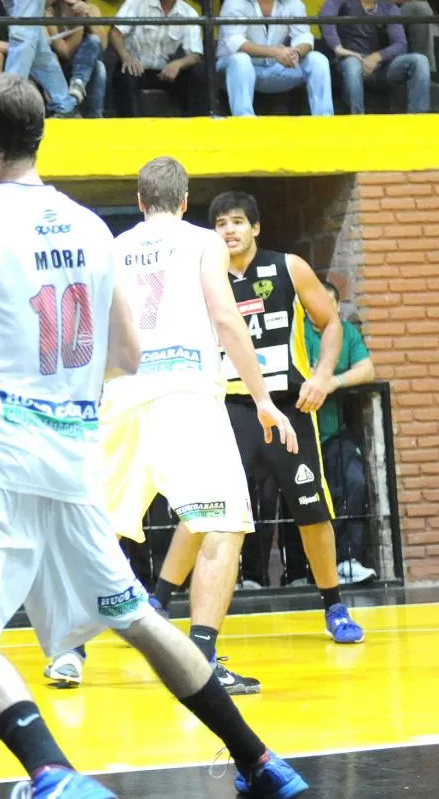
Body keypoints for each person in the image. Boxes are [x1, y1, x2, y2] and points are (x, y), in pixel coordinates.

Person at [0, 73, 307, 799]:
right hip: (70, 450)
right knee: (136, 612)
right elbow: (121, 353)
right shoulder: (94, 229)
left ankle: (52, 771)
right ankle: (262, 761)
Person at [47, 156, 299, 696]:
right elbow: (228, 319)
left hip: (121, 394)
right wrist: (262, 398)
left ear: (140, 202)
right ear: (185, 202)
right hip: (186, 395)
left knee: (101, 528)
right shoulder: (203, 242)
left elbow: (87, 334)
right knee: (224, 525)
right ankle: (200, 661)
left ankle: (68, 651)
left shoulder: (113, 248)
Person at [151, 190, 365, 644]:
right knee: (203, 507)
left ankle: (335, 607)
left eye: (236, 222)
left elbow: (332, 323)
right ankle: (160, 600)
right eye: (221, 224)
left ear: (255, 227)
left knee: (311, 511)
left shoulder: (288, 266)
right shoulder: (201, 273)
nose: (228, 230)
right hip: (226, 406)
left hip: (287, 406)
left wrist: (323, 377)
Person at [305, 281, 377, 584]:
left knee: (354, 483)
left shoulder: (347, 333)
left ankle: (349, 562)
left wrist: (332, 382)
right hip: (299, 434)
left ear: (336, 306)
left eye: (327, 302)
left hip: (335, 431)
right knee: (302, 500)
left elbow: (367, 370)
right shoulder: (297, 331)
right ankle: (300, 573)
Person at [216, 0, 333, 117]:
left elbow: (304, 38)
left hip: (276, 66)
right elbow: (236, 43)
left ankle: (324, 118)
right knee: (241, 60)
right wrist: (274, 52)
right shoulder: (235, 0)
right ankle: (244, 121)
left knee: (317, 59)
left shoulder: (292, 1)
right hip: (235, 70)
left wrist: (296, 53)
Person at [319, 0, 430, 115]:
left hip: (380, 66)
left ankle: (419, 122)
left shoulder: (388, 5)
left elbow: (400, 44)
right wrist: (337, 47)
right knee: (352, 65)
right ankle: (357, 122)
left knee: (420, 61)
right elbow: (325, 16)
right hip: (350, 62)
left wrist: (378, 57)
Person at [46, 0, 108, 117]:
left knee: (98, 63)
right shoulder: (49, 13)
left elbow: (103, 45)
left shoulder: (92, 9)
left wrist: (88, 18)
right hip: (62, 71)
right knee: (98, 67)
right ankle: (75, 95)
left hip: (86, 75)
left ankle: (92, 115)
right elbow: (64, 53)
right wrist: (79, 22)